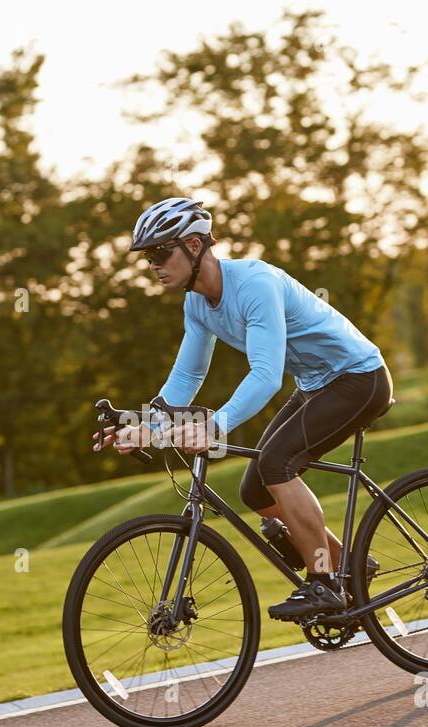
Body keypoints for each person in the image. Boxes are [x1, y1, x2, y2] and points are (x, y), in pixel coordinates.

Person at [95, 197, 392, 620]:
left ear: (195, 246)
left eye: (161, 252)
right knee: (253, 489)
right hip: (315, 384)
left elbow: (266, 374)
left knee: (277, 463)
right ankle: (349, 563)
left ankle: (324, 582)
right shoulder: (196, 303)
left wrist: (217, 424)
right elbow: (186, 378)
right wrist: (146, 425)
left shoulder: (253, 283)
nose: (153, 265)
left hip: (359, 378)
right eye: (148, 257)